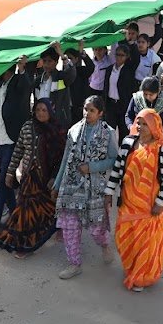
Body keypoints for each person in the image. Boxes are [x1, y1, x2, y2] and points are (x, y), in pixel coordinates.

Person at [104, 109, 163, 292]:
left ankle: (141, 276)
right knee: (125, 236)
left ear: (154, 127)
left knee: (146, 242)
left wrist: (160, 202)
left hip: (150, 207)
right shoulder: (128, 143)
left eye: (145, 124)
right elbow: (118, 169)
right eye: (139, 123)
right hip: (128, 202)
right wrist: (109, 191)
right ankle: (131, 268)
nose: (141, 127)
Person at [50, 96, 117, 280]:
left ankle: (104, 245)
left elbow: (114, 159)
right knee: (70, 226)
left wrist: (92, 167)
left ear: (100, 113)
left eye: (92, 110)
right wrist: (57, 184)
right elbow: (66, 158)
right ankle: (74, 263)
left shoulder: (108, 132)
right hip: (71, 185)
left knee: (97, 229)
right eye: (85, 109)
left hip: (95, 187)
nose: (87, 113)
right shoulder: (74, 130)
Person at [0, 99, 66, 259]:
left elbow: (62, 159)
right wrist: (10, 172)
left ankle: (58, 227)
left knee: (48, 210)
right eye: (38, 110)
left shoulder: (57, 130)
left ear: (50, 111)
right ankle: (25, 245)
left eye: (44, 110)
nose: (40, 113)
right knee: (26, 212)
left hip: (47, 179)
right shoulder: (27, 127)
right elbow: (18, 150)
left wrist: (55, 178)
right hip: (29, 178)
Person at [0, 58, 33, 240]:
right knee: (7, 181)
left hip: (12, 140)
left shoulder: (18, 82)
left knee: (2, 179)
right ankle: (15, 214)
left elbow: (27, 87)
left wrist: (22, 68)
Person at [126, 76, 163, 154]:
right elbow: (128, 115)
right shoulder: (137, 99)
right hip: (139, 142)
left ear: (158, 92)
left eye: (151, 95)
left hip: (161, 145)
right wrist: (131, 126)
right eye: (145, 94)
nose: (148, 97)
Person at [101, 42, 139, 141]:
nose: (119, 57)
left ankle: (122, 151)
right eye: (117, 54)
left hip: (123, 106)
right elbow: (106, 87)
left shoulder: (129, 70)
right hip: (111, 106)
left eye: (122, 55)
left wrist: (131, 43)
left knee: (124, 134)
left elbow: (136, 58)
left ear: (127, 56)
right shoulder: (109, 69)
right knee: (109, 133)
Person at [34, 46, 75, 128]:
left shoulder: (61, 77)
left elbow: (71, 73)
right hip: (41, 123)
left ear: (56, 62)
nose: (46, 64)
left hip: (59, 123)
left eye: (50, 61)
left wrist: (62, 56)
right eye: (44, 61)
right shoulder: (37, 81)